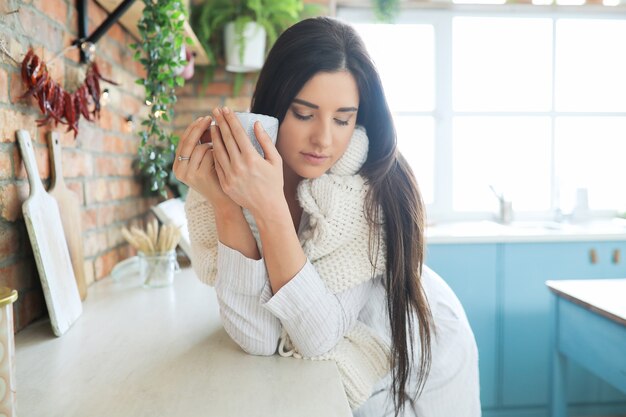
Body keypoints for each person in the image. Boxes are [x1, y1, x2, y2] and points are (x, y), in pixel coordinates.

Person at [173, 16, 480, 417]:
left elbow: (316, 336)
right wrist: (228, 204)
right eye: (304, 114)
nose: (324, 139)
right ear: (273, 108)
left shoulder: (364, 191)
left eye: (342, 119)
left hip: (423, 339)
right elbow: (258, 339)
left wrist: (269, 210)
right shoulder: (241, 176)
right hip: (353, 373)